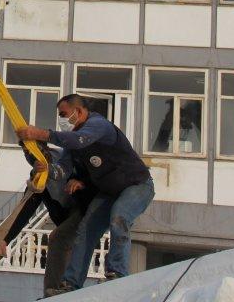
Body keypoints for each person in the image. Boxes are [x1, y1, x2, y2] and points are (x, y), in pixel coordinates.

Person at [16, 94, 154, 292]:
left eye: (63, 114)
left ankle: (117, 273)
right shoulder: (72, 146)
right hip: (108, 192)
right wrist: (46, 169)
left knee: (119, 216)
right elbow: (62, 169)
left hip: (137, 185)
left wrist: (38, 133)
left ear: (79, 111)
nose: (62, 120)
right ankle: (71, 284)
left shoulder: (99, 125)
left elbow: (78, 140)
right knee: (85, 231)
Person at [0, 146, 88, 297]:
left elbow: (92, 172)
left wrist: (81, 182)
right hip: (66, 217)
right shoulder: (37, 177)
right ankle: (59, 290)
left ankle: (53, 293)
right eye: (26, 153)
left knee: (58, 238)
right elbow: (25, 210)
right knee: (63, 247)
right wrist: (5, 240)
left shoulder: (65, 158)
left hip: (85, 210)